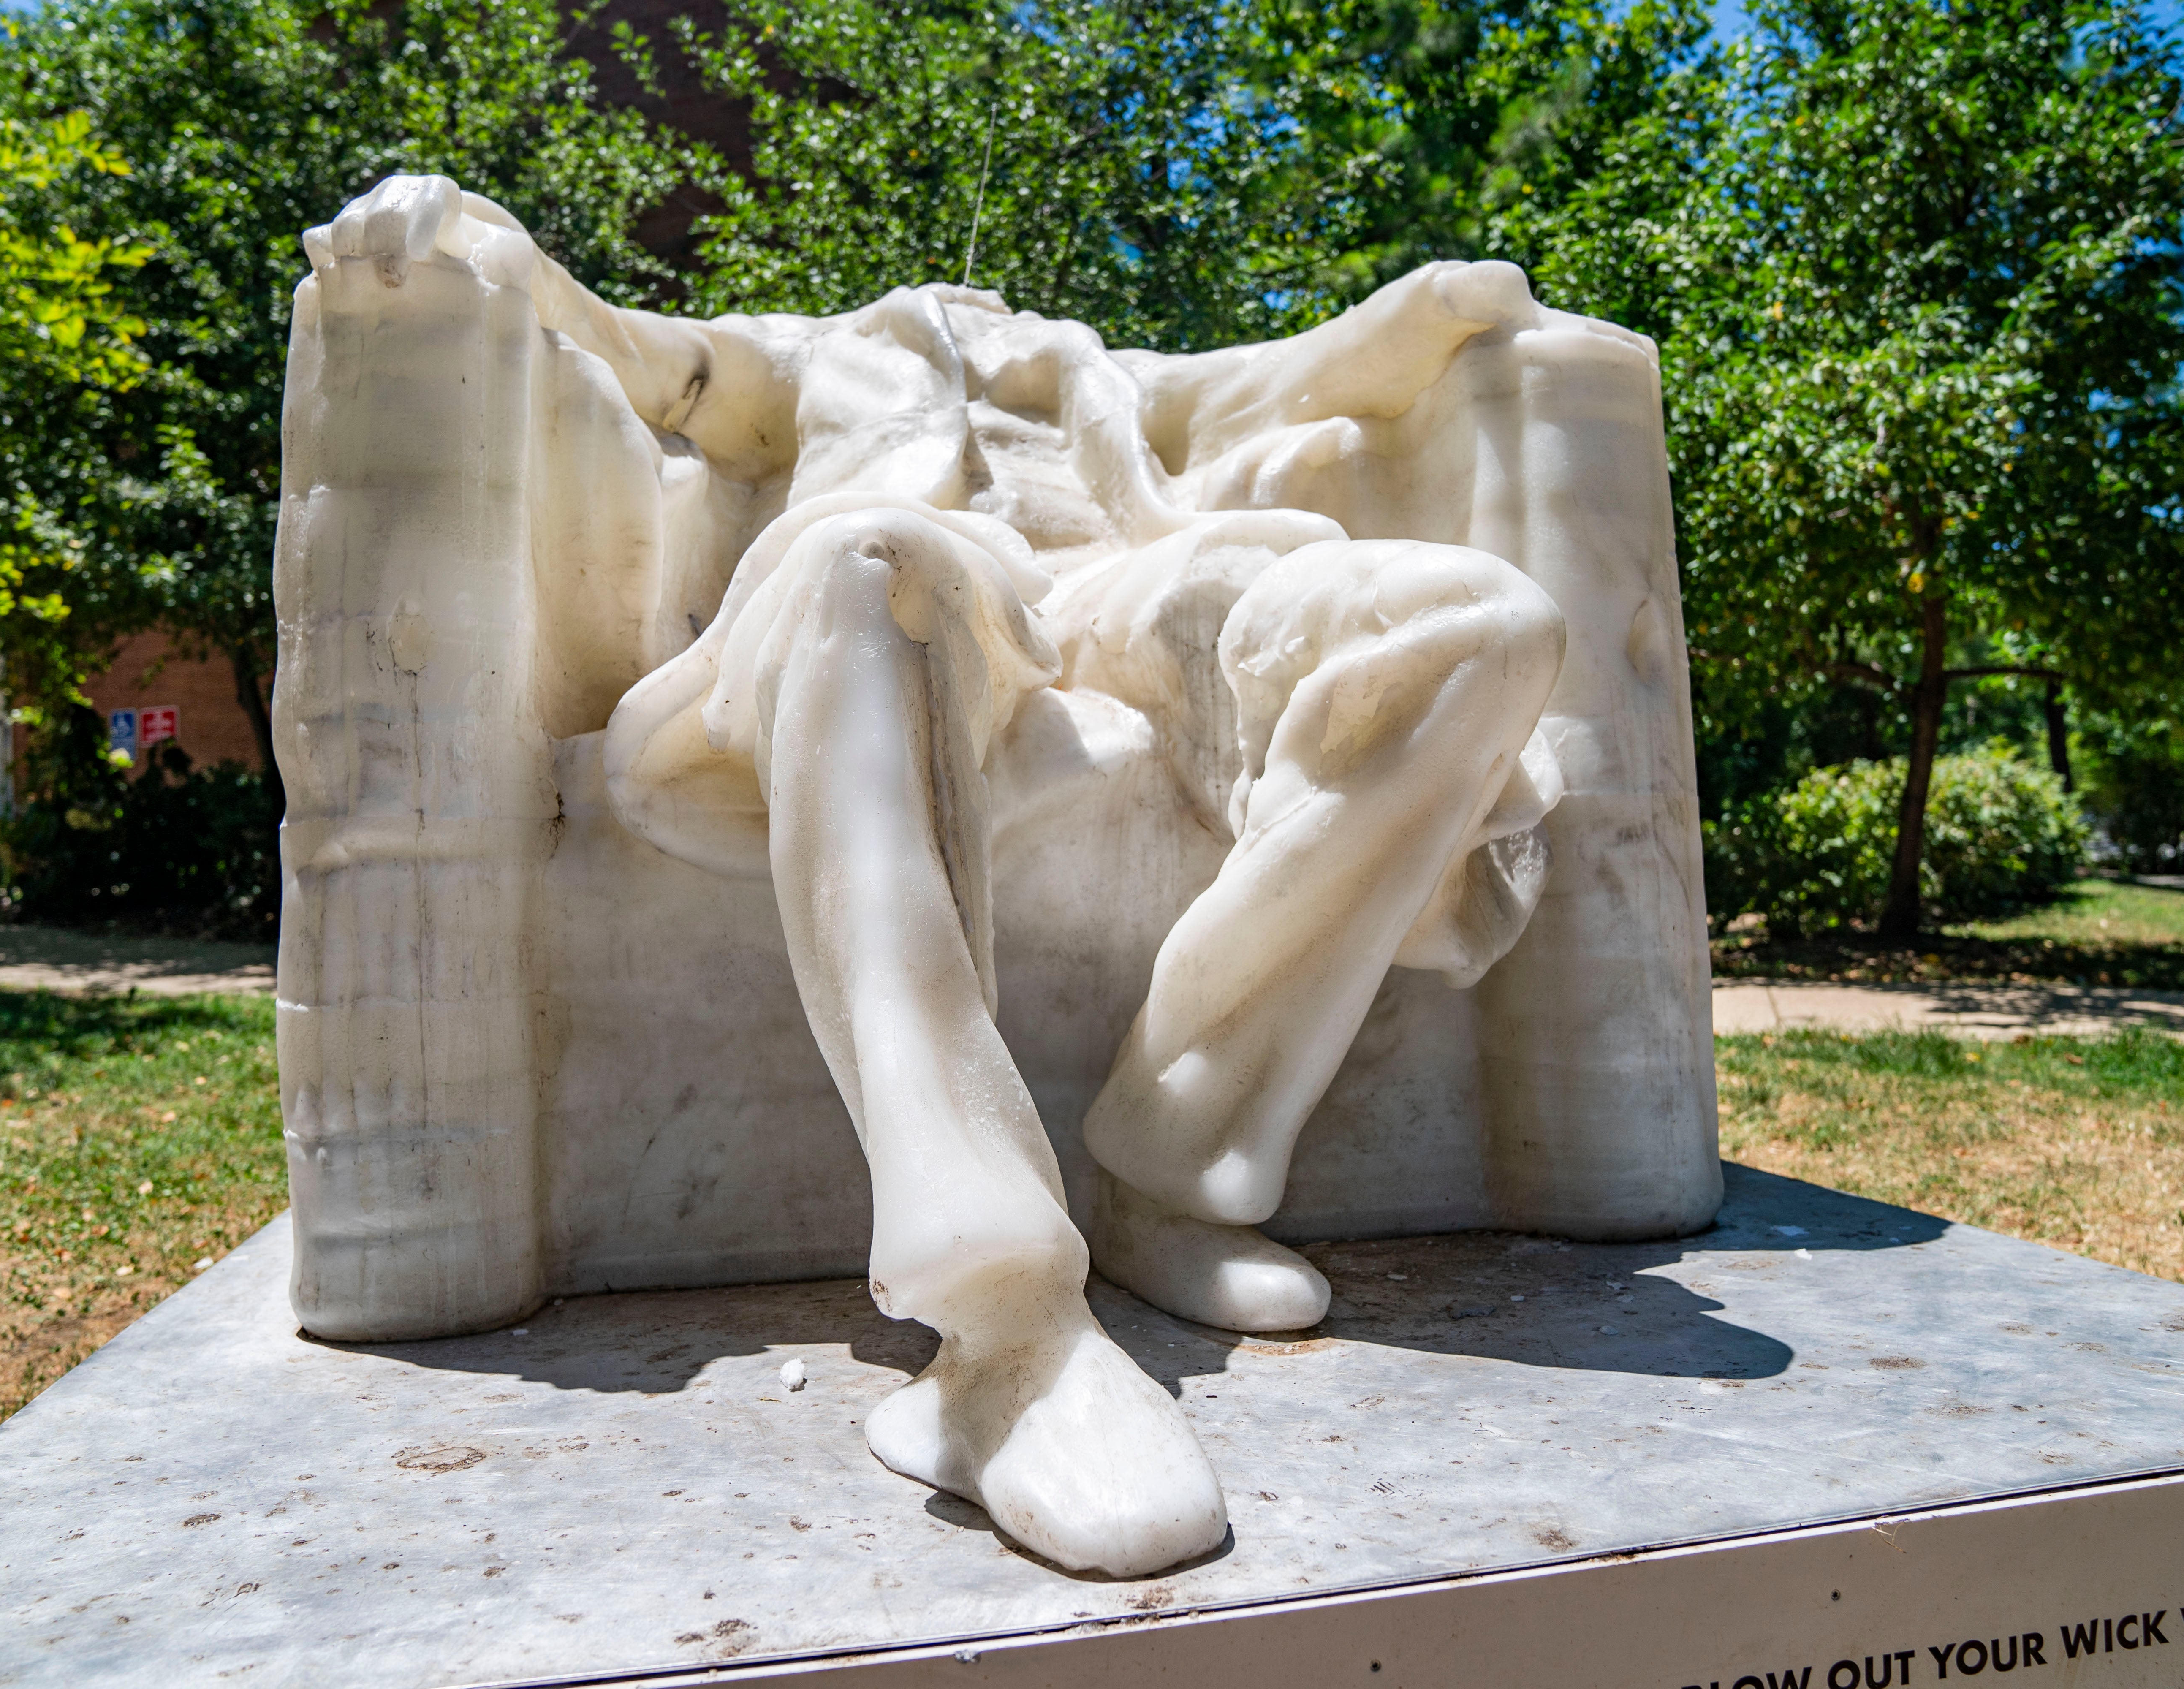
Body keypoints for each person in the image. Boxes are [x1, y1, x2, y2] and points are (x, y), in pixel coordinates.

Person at [312, 177, 1568, 1577]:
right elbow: (650, 358)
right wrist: (497, 242)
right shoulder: (824, 354)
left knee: (1489, 618)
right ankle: (1008, 1333)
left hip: (1133, 599)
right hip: (935, 587)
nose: (979, 306)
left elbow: (1286, 378)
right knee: (873, 562)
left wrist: (1442, 302)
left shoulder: (1104, 373)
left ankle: (1177, 1163)